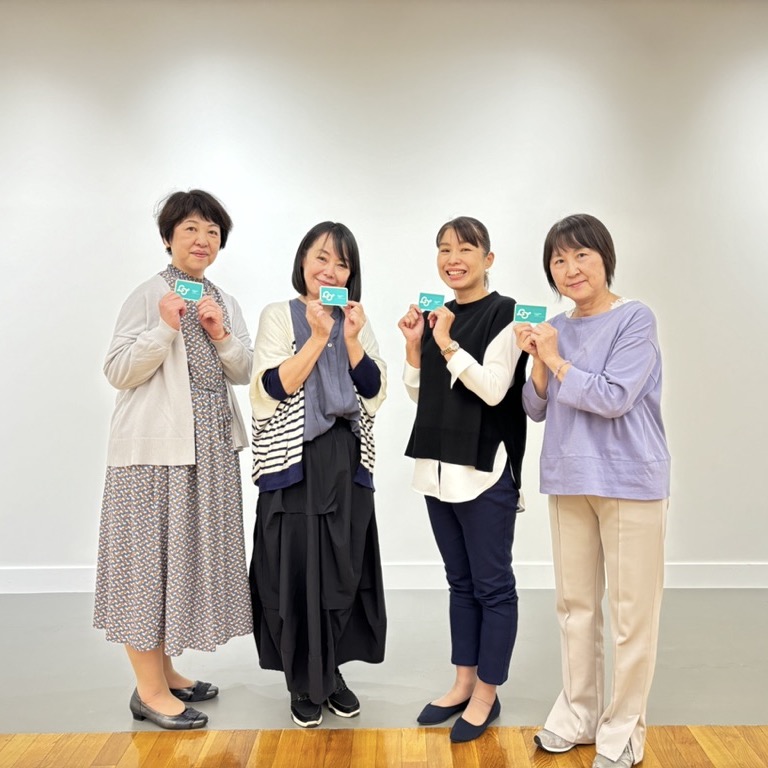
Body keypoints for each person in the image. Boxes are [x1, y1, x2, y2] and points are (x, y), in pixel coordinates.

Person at [93, 190, 254, 730]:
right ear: (167, 238)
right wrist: (164, 327)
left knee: (178, 561)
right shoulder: (148, 295)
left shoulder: (223, 300)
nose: (202, 240)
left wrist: (219, 332)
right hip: (152, 454)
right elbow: (117, 370)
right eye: (190, 229)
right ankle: (149, 691)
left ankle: (165, 672)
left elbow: (243, 370)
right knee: (147, 566)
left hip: (209, 451)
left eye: (212, 232)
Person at [515, 214, 670, 768]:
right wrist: (538, 362)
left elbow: (613, 397)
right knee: (574, 607)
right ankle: (578, 714)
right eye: (558, 260)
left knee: (631, 612)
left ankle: (623, 729)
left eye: (581, 255)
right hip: (568, 478)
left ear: (605, 258)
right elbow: (535, 408)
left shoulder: (635, 318)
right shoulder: (554, 326)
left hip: (630, 480)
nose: (570, 268)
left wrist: (556, 358)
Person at [249, 221, 387, 728]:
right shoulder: (279, 314)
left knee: (342, 570)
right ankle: (303, 682)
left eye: (342, 263)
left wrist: (349, 338)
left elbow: (373, 389)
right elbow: (272, 387)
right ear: (303, 262)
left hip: (346, 460)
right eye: (321, 258)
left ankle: (331, 674)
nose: (330, 270)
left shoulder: (356, 319)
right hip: (294, 462)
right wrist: (318, 336)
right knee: (295, 572)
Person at [397, 216, 529, 743]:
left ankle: (486, 694)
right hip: (437, 468)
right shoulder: (439, 315)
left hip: (484, 470)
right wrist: (416, 345)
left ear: (488, 259)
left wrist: (447, 343)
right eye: (444, 249)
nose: (453, 259)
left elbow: (494, 389)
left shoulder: (506, 313)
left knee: (493, 586)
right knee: (460, 582)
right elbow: (421, 393)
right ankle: (463, 682)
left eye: (466, 249)